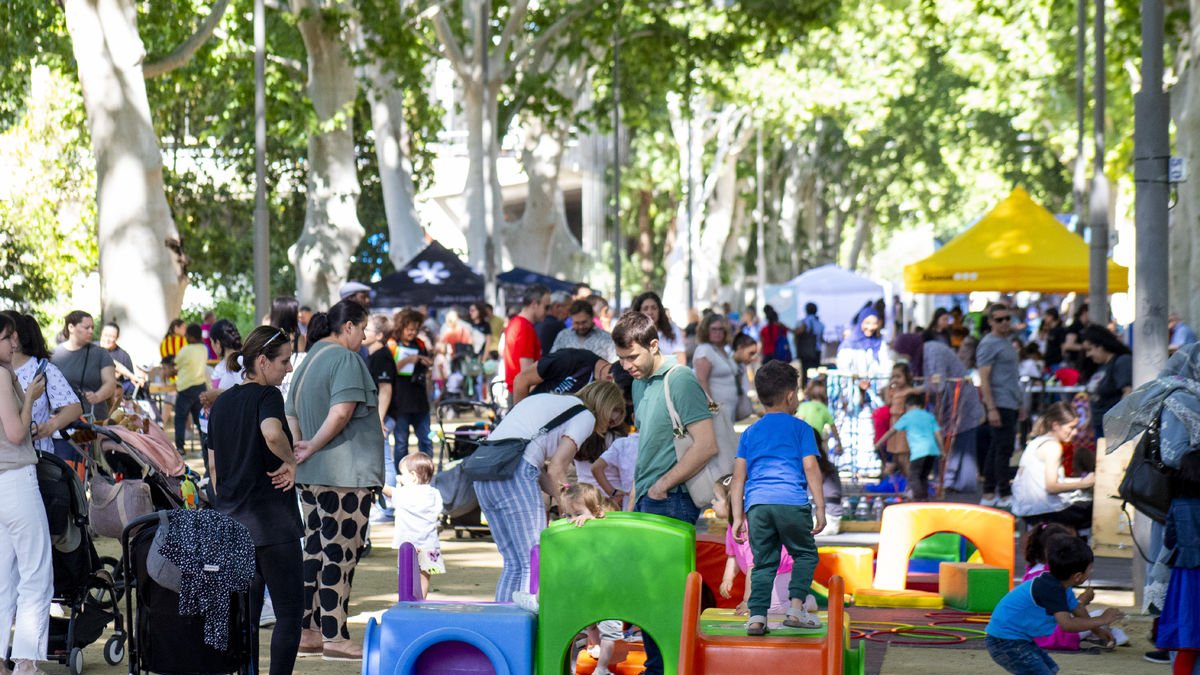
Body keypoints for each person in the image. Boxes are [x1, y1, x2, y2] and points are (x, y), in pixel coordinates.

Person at [613, 310, 716, 674]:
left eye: (633, 357)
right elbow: (649, 445)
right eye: (622, 358)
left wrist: (662, 484)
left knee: (665, 598)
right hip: (648, 499)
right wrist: (637, 493)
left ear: (654, 345)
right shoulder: (641, 382)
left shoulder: (681, 378)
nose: (627, 366)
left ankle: (666, 668)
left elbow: (705, 445)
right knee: (648, 598)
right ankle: (659, 667)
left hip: (672, 499)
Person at [285, 300, 384, 661]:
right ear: (348, 328)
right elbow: (342, 412)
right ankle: (335, 636)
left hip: (312, 475)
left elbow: (291, 411)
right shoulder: (345, 360)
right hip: (344, 475)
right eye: (362, 328)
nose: (363, 336)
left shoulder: (307, 359)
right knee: (339, 555)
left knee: (315, 553)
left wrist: (302, 448)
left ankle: (309, 632)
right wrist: (313, 444)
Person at [205, 326, 303, 675]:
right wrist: (291, 461)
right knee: (289, 614)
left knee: (244, 619)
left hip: (232, 523)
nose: (288, 368)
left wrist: (227, 499)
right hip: (273, 523)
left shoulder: (222, 403)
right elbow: (272, 433)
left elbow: (214, 466)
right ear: (262, 361)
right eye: (284, 360)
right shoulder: (268, 396)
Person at [472, 382, 620, 603]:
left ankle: (504, 622)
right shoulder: (585, 416)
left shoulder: (546, 400)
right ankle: (525, 629)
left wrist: (563, 495)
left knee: (514, 562)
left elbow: (538, 467)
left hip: (485, 473)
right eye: (612, 418)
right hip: (514, 474)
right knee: (534, 560)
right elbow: (556, 468)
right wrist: (571, 510)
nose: (609, 426)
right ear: (605, 406)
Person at [729, 360, 825, 635]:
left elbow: (738, 478)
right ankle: (795, 608)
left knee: (763, 562)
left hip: (758, 506)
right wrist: (820, 507)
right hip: (791, 503)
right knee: (805, 553)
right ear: (791, 395)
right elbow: (810, 467)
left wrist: (738, 517)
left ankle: (757, 617)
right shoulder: (801, 429)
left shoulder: (750, 432)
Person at [0, 312, 54, 675]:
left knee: (3, 577)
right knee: (36, 573)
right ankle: (25, 662)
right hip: (16, 478)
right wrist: (31, 396)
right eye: (7, 338)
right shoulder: (2, 374)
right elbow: (17, 433)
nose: (13, 343)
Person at [986, 535, 1121, 675]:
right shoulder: (1052, 589)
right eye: (1089, 569)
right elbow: (1067, 624)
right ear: (1078, 576)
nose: (1090, 572)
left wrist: (1098, 631)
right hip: (1005, 641)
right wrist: (1103, 619)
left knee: (1050, 670)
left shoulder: (1060, 584)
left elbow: (1078, 609)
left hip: (1015, 639)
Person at [890, 331, 985, 495]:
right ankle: (951, 482)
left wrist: (913, 390)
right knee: (954, 441)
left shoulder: (932, 352)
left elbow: (938, 384)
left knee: (961, 443)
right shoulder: (922, 354)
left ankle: (955, 484)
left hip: (960, 402)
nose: (904, 357)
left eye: (903, 353)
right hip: (948, 406)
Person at [553, 483, 623, 675]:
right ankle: (596, 648)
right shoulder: (575, 534)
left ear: (597, 513)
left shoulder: (604, 529)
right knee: (589, 625)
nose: (573, 520)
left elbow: (610, 537)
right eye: (568, 515)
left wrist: (592, 521)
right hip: (588, 594)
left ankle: (602, 669)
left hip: (609, 596)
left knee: (610, 630)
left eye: (578, 513)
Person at [1, 312, 82, 457]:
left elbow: (74, 407)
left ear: (14, 337)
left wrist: (51, 426)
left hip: (37, 458)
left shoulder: (42, 369)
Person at [1010, 402, 1094, 530]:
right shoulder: (1053, 447)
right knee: (1095, 509)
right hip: (1042, 511)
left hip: (1027, 508)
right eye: (1071, 427)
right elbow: (1051, 486)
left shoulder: (1037, 441)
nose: (1075, 432)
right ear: (1056, 426)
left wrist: (1081, 481)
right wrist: (1083, 484)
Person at [976, 303, 1022, 508]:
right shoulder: (989, 344)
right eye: (999, 319)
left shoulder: (1006, 342)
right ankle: (1002, 493)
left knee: (997, 448)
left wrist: (1020, 403)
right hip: (999, 402)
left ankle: (989, 492)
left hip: (1010, 401)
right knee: (1003, 449)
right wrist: (991, 407)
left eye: (1007, 318)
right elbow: (984, 377)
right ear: (991, 321)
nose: (1004, 323)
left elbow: (1012, 377)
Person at [385, 453, 443, 598]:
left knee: (407, 575)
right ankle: (421, 601)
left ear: (412, 476)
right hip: (430, 544)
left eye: (402, 474)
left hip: (408, 544)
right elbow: (439, 510)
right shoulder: (434, 493)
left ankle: (408, 602)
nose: (399, 477)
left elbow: (388, 491)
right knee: (425, 575)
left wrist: (375, 479)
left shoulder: (404, 493)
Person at [52, 311, 117, 426]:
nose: (91, 331)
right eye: (86, 327)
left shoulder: (101, 354)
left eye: (92, 327)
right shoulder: (53, 355)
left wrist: (97, 396)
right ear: (71, 327)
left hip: (95, 421)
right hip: (62, 422)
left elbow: (110, 383)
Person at [875, 391, 943, 501]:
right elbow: (938, 434)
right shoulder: (929, 416)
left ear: (907, 405)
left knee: (914, 477)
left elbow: (892, 431)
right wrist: (942, 451)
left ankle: (919, 499)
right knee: (923, 477)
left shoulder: (907, 417)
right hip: (933, 451)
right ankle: (925, 499)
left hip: (918, 452)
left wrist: (879, 443)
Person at [388, 310, 433, 458]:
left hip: (420, 400)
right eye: (409, 329)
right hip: (400, 401)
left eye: (416, 329)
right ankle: (402, 474)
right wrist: (408, 360)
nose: (412, 333)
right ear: (401, 327)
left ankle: (427, 471)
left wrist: (426, 363)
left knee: (426, 439)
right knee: (401, 443)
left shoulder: (420, 343)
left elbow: (427, 367)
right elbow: (389, 370)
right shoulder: (392, 344)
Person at [1080, 325, 1132, 439]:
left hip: (1113, 429)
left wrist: (1118, 421)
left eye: (1090, 349)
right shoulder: (1100, 367)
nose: (1088, 355)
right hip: (1100, 425)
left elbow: (1127, 392)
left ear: (1101, 346)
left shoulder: (1121, 361)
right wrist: (1090, 420)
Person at [503, 284, 551, 402]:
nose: (548, 312)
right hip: (522, 394)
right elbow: (527, 371)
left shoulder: (515, 322)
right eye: (546, 307)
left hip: (516, 391)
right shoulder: (524, 328)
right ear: (535, 304)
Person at [692, 314, 739, 430]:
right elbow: (702, 382)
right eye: (714, 329)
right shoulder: (704, 350)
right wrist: (713, 409)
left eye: (720, 329)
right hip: (717, 412)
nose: (718, 332)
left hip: (728, 410)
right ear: (706, 331)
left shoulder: (721, 350)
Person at [171, 324, 210, 455]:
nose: (185, 337)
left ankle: (180, 447)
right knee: (201, 420)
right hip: (200, 387)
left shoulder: (186, 350)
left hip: (185, 388)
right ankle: (206, 446)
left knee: (180, 419)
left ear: (192, 337)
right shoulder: (204, 349)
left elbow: (175, 365)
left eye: (187, 335)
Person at [551, 300, 616, 361]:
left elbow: (614, 363)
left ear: (592, 317)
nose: (581, 326)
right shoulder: (563, 336)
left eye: (584, 322)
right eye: (577, 323)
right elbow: (552, 359)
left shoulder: (606, 338)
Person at [632, 292, 686, 365]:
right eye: (645, 309)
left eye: (654, 308)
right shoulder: (632, 333)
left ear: (659, 310)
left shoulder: (672, 328)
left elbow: (681, 359)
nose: (650, 312)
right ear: (639, 312)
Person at [836, 307, 890, 375]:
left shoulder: (879, 344)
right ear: (860, 322)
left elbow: (885, 367)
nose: (870, 327)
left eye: (874, 323)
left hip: (875, 384)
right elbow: (843, 369)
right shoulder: (849, 344)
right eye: (867, 323)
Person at [592, 433, 638, 510]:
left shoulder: (623, 443)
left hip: (628, 501)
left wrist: (612, 492)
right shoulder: (662, 443)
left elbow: (596, 467)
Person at [99, 322, 145, 398]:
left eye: (111, 336)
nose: (107, 339)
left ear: (117, 337)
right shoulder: (91, 349)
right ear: (101, 334)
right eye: (105, 335)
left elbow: (131, 380)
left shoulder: (123, 356)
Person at [796, 377, 841, 449]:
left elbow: (799, 421)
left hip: (803, 438)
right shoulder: (824, 409)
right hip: (816, 440)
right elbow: (833, 428)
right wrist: (839, 444)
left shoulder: (804, 405)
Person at [794, 302, 825, 384]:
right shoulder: (820, 323)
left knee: (806, 372)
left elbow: (798, 332)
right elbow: (821, 339)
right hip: (817, 351)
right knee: (816, 372)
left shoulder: (806, 321)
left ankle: (806, 391)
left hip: (807, 351)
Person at [1060, 303, 1089, 371]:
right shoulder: (1076, 326)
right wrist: (1085, 347)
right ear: (1084, 312)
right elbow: (1068, 345)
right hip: (1074, 361)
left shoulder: (1084, 326)